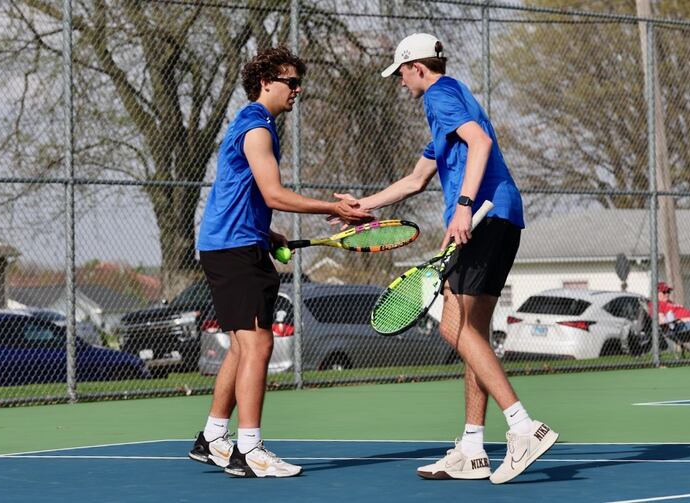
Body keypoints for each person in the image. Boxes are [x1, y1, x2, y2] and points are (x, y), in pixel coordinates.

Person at [343, 33, 558, 484]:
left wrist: (463, 205)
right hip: (501, 218)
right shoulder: (454, 97)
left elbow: (479, 144)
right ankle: (472, 448)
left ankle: (523, 427)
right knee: (471, 335)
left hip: (480, 218)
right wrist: (362, 206)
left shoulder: (439, 96)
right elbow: (416, 179)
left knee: (453, 326)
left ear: (417, 67)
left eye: (401, 72)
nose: (400, 82)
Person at [188, 46, 372, 478]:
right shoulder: (257, 128)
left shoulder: (254, 124)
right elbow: (273, 194)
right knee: (259, 343)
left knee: (244, 344)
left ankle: (214, 436)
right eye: (291, 82)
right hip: (233, 248)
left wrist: (265, 231)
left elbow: (239, 191)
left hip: (233, 242)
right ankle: (249, 450)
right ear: (266, 83)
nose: (297, 89)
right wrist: (335, 208)